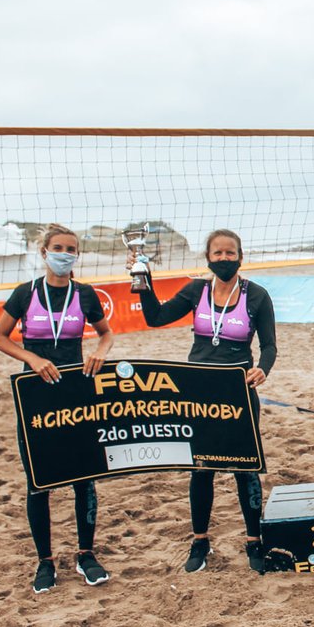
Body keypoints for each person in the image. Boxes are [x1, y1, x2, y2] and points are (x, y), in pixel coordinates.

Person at [134, 229, 276, 572]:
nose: (224, 259)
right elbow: (155, 318)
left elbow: (269, 346)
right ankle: (200, 541)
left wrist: (262, 370)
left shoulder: (256, 295)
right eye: (218, 254)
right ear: (208, 257)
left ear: (241, 256)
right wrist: (143, 281)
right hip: (198, 392)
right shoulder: (197, 291)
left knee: (245, 469)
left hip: (238, 391)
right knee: (202, 469)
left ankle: (254, 541)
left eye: (230, 253)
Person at [0, 223, 115, 593]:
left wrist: (99, 352)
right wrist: (30, 357)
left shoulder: (85, 294)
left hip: (76, 392)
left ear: (77, 255)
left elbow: (106, 333)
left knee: (85, 477)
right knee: (38, 482)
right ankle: (45, 562)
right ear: (44, 252)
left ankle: (85, 555)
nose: (65, 254)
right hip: (36, 395)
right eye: (58, 248)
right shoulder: (25, 293)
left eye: (71, 249)